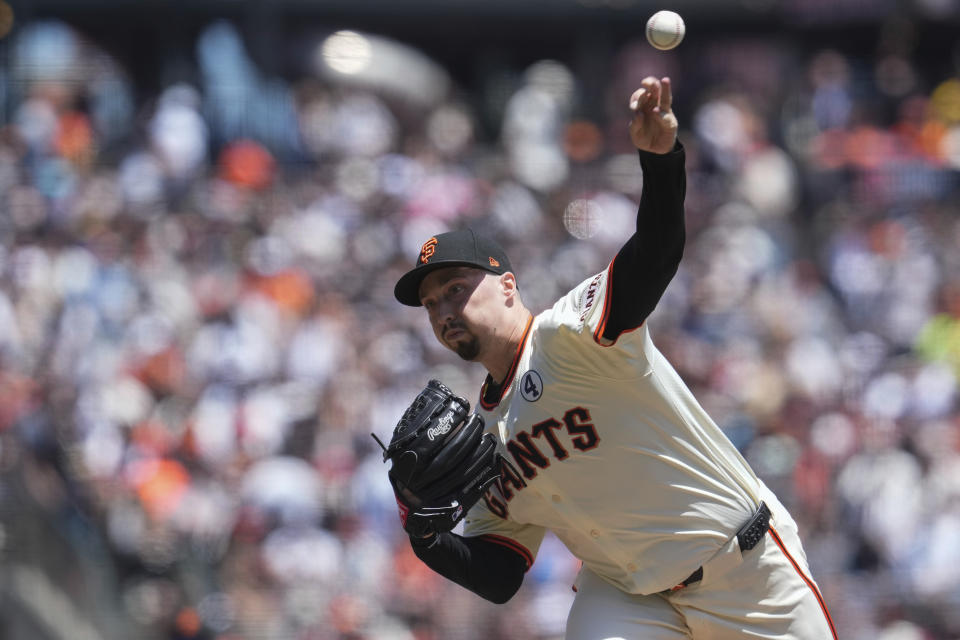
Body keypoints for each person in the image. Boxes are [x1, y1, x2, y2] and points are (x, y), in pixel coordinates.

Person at [390, 76, 837, 639]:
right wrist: (425, 537)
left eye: (455, 288)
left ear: (507, 286)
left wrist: (661, 161)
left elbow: (655, 254)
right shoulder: (479, 441)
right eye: (431, 304)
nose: (442, 309)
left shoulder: (568, 335)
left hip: (744, 569)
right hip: (628, 597)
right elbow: (501, 576)